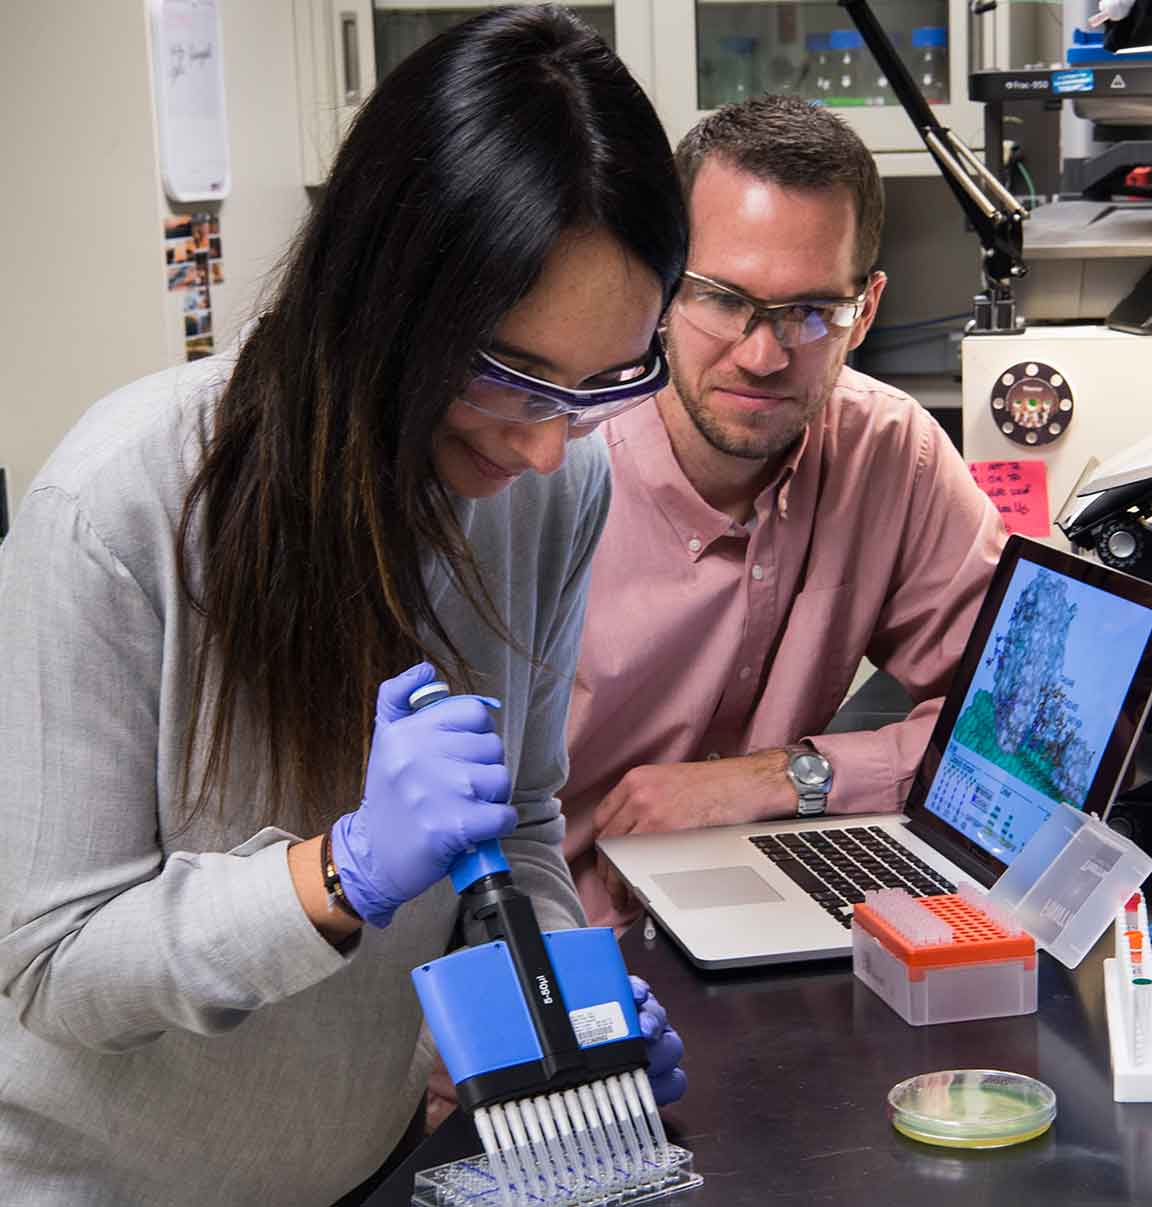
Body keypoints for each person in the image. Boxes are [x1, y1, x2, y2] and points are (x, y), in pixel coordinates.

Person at [0, 10, 687, 1206]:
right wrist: (340, 874)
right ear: (385, 293)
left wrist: (562, 1006)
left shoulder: (555, 484)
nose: (543, 446)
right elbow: (53, 966)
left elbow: (520, 816)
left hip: (362, 1163)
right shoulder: (118, 507)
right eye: (509, 377)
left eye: (598, 385)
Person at [558, 96, 1007, 926]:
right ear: (662, 283)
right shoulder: (548, 465)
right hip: (564, 941)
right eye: (723, 299)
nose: (761, 356)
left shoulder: (889, 452)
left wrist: (782, 777)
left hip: (766, 920)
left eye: (810, 313)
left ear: (863, 313)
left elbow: (1015, 734)